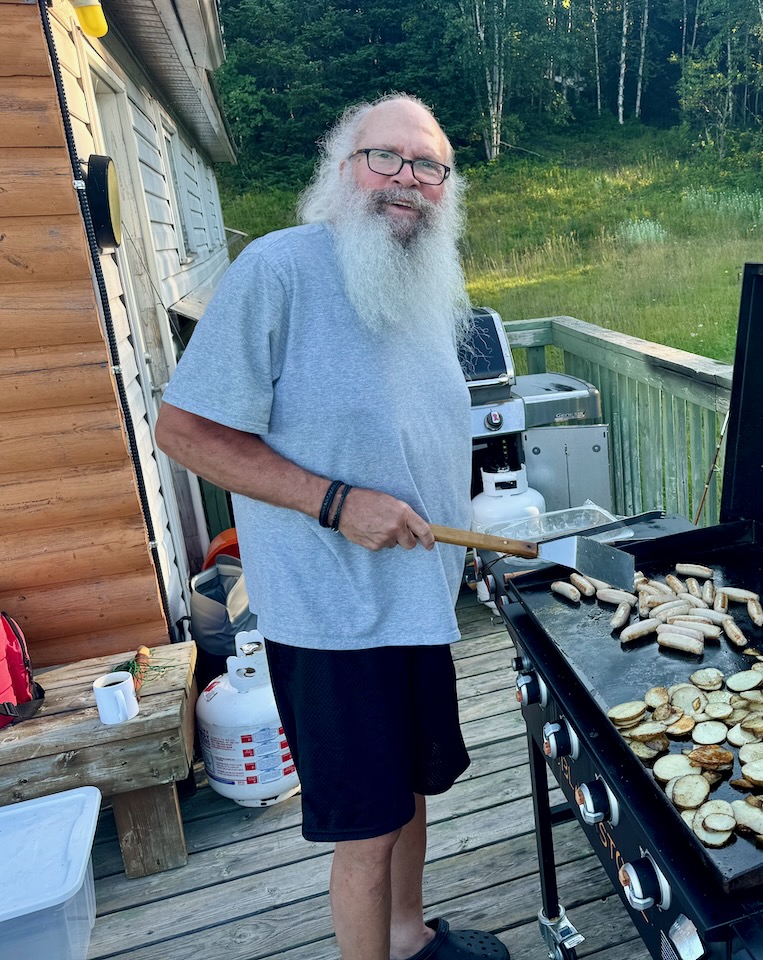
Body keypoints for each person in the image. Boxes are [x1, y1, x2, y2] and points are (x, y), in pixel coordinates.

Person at [156, 95, 508, 960]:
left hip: (416, 603)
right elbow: (186, 432)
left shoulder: (426, 284)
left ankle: (409, 937)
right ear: (342, 167)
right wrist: (336, 503)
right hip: (332, 618)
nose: (407, 180)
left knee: (414, 787)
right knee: (367, 827)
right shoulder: (280, 270)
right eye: (385, 157)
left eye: (429, 166)